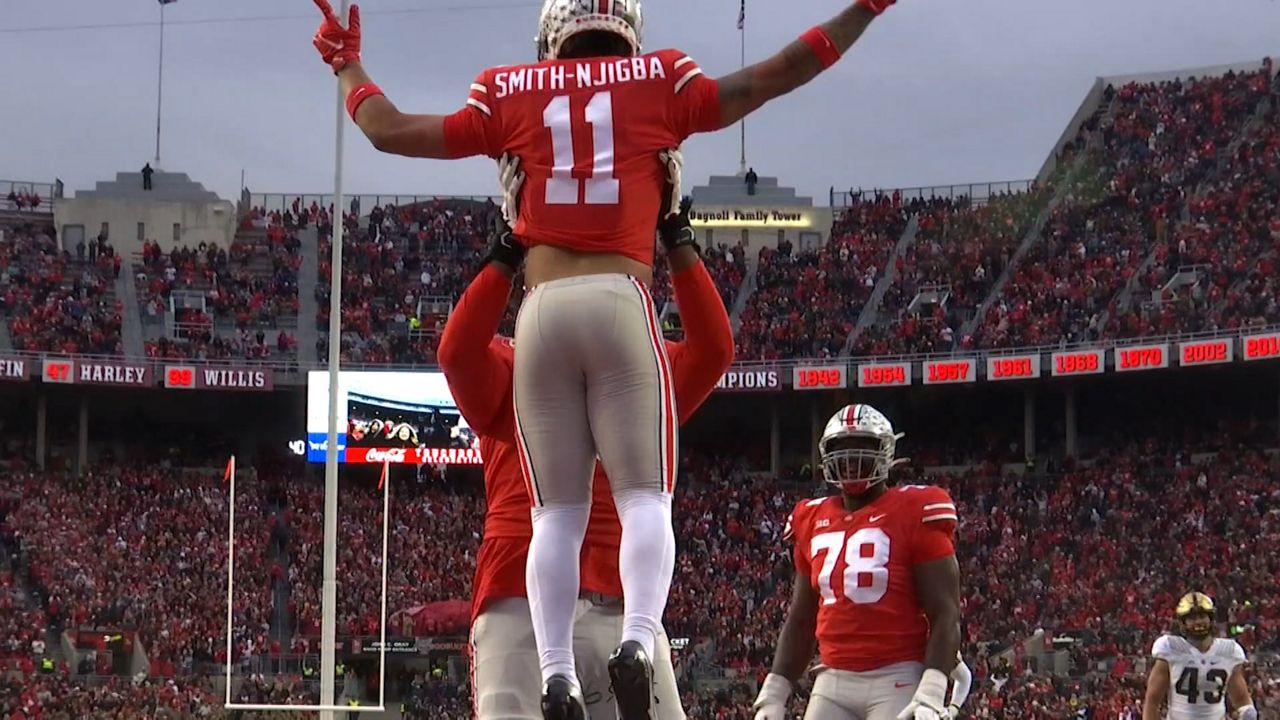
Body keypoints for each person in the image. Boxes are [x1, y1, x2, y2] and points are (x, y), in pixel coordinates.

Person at [311, 1, 895, 715]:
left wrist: (346, 65)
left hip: (545, 311)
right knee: (646, 496)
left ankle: (558, 670)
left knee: (555, 511)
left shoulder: (511, 92)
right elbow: (777, 74)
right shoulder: (659, 84)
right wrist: (864, 9)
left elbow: (387, 130)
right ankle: (640, 641)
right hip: (621, 299)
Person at [438, 154, 733, 719]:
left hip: (525, 597)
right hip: (605, 602)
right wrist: (676, 237)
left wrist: (510, 247)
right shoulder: (637, 368)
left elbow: (456, 351)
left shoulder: (515, 360)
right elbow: (713, 349)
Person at [753, 405, 962, 720]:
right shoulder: (811, 516)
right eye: (842, 450)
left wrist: (931, 690)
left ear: (886, 453)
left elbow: (945, 612)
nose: (851, 460)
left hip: (898, 674)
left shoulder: (917, 508)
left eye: (863, 448)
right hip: (832, 678)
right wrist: (774, 692)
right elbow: (802, 618)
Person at [1142, 592, 1256, 720]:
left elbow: (1241, 699)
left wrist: (1248, 712)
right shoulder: (1171, 648)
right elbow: (1152, 700)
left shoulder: (1229, 651)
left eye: (1202, 616)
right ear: (1183, 622)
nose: (1198, 622)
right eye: (1192, 618)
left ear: (1211, 618)